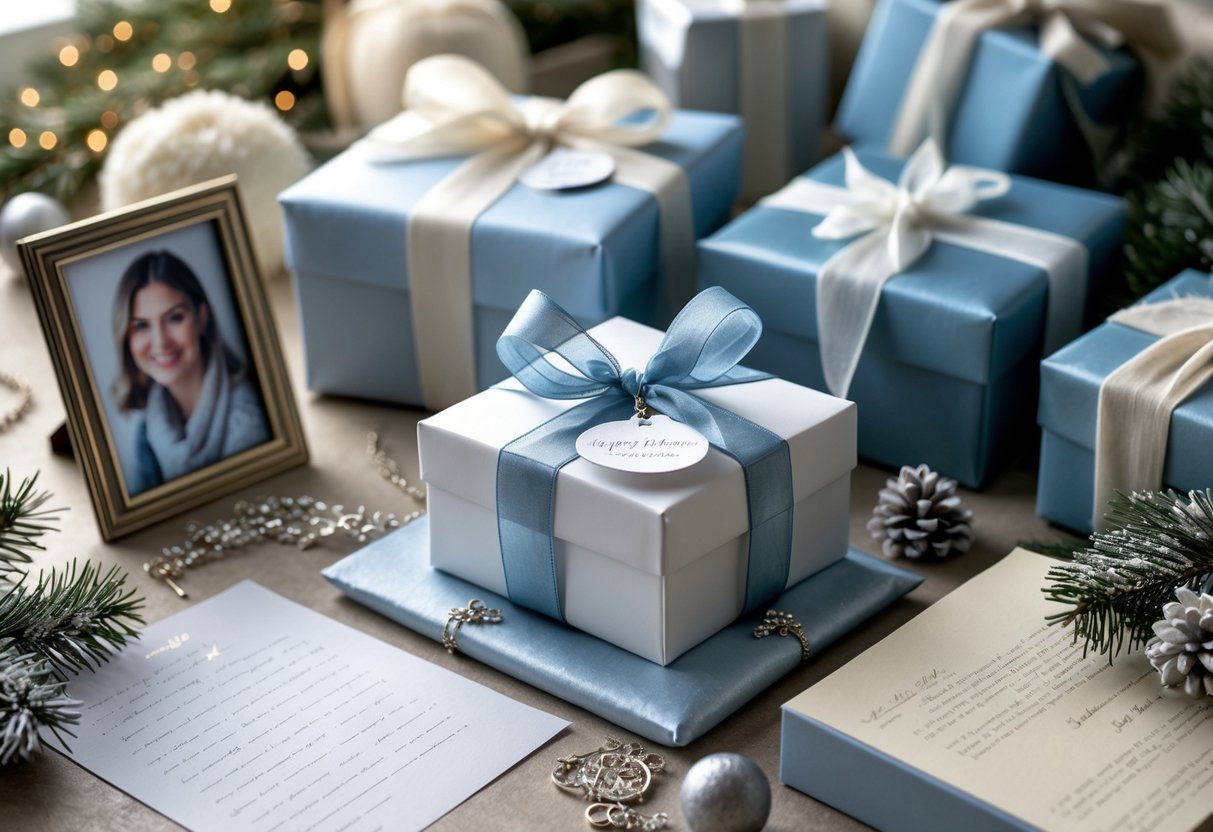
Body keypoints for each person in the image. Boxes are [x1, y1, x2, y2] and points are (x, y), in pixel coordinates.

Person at [112, 250, 269, 495]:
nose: (161, 341)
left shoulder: (254, 420)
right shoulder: (145, 429)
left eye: (174, 318)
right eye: (141, 325)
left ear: (201, 318)